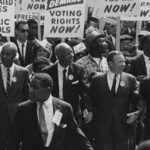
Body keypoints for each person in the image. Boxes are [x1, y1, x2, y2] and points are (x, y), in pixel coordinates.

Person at [7, 73, 93, 150]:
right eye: (30, 86)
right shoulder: (23, 109)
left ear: (48, 90)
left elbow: (76, 133)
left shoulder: (64, 108)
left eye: (35, 87)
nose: (30, 90)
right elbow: (14, 138)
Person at [89, 51, 143, 150]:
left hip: (123, 128)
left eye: (124, 61)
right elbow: (90, 99)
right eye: (120, 62)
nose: (123, 64)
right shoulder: (97, 80)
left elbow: (139, 100)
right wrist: (90, 111)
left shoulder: (130, 79)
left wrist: (136, 113)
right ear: (110, 63)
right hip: (103, 129)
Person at [42, 43, 92, 125]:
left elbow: (84, 91)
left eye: (72, 52)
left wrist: (89, 109)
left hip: (72, 111)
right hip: (54, 110)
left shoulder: (78, 69)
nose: (72, 55)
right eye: (68, 53)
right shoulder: (47, 71)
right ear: (58, 56)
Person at [0, 42, 29, 150]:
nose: (4, 57)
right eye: (2, 53)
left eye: (7, 54)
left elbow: (27, 96)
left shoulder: (23, 72)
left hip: (16, 117)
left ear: (15, 56)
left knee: (14, 145)